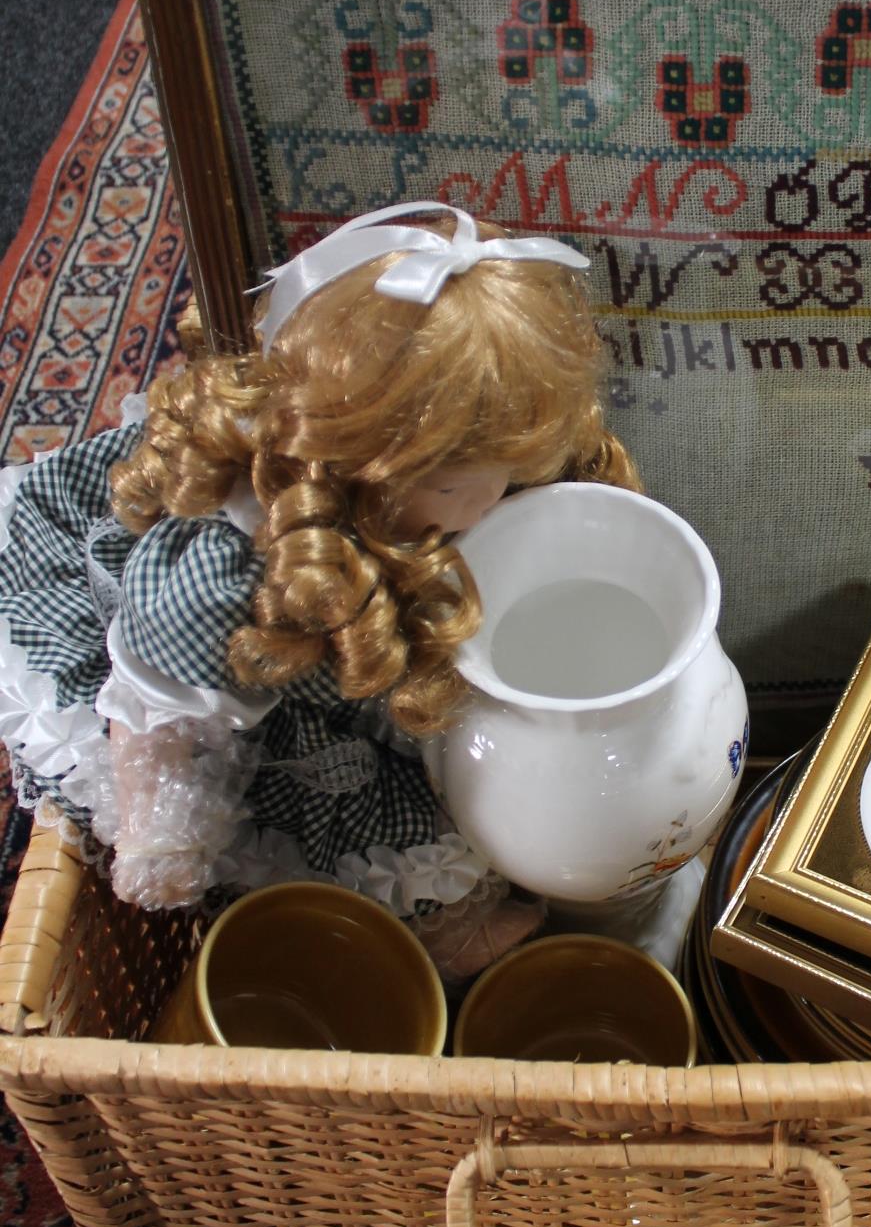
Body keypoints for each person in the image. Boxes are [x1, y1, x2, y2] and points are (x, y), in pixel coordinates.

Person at [0, 202, 637, 976]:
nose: (493, 500)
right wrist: (162, 827)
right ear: (373, 461)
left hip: (377, 661)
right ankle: (424, 936)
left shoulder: (461, 493)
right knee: (391, 850)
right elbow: (163, 713)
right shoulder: (232, 578)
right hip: (282, 698)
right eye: (462, 484)